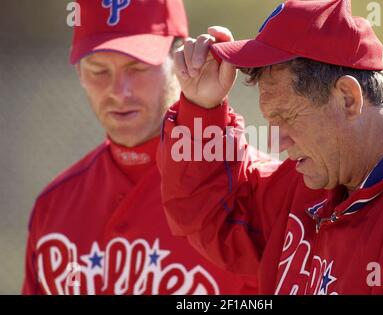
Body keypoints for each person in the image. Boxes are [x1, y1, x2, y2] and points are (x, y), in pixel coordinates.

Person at [157, 0, 383, 294]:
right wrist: (202, 110)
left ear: (348, 98)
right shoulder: (314, 178)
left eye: (287, 117)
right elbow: (215, 220)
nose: (276, 141)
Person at [22, 0, 257, 295]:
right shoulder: (53, 208)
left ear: (180, 58)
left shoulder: (253, 191)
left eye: (137, 67)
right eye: (98, 70)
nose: (120, 91)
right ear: (79, 72)